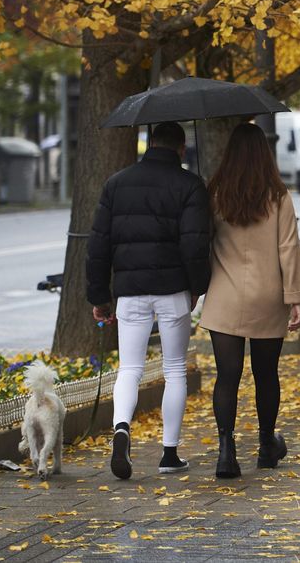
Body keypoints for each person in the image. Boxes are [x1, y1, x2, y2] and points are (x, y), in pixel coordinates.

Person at [86, 121, 212, 479]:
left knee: (130, 368)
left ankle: (122, 429)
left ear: (149, 142)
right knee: (174, 370)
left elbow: (98, 246)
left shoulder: (116, 183)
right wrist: (197, 286)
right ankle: (169, 454)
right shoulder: (190, 185)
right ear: (181, 149)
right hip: (173, 290)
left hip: (130, 292)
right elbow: (194, 244)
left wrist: (99, 296)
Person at [199, 123, 300, 479]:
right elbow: (288, 249)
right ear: (266, 154)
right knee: (266, 374)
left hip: (225, 296)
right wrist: (295, 298)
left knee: (226, 376)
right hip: (267, 294)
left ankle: (226, 452)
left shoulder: (215, 195)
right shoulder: (279, 197)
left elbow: (201, 242)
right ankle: (265, 446)